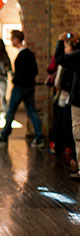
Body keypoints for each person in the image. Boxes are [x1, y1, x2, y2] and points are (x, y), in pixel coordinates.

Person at [0, 30, 44, 148]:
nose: (11, 41)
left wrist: (15, 79)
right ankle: (39, 137)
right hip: (29, 87)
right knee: (32, 112)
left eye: (12, 39)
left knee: (11, 111)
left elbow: (21, 74)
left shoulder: (22, 56)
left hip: (20, 87)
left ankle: (4, 135)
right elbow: (35, 71)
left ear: (16, 39)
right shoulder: (30, 54)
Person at [54, 32, 80, 179]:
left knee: (77, 134)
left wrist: (59, 41)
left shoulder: (77, 56)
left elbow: (60, 59)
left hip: (78, 101)